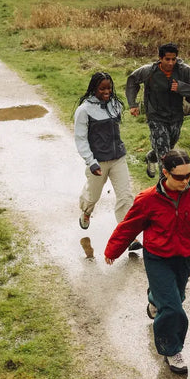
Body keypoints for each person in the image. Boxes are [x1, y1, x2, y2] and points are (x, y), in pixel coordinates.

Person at [104, 149, 190, 374]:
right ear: (165, 173)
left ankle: (155, 299)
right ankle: (171, 349)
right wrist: (113, 250)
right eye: (179, 177)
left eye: (189, 175)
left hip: (185, 256)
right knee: (173, 308)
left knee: (176, 296)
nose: (186, 181)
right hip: (158, 257)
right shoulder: (148, 199)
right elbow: (129, 226)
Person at [74, 72, 142, 252]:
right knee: (93, 197)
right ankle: (86, 212)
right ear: (94, 88)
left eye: (109, 88)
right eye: (102, 88)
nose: (107, 91)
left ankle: (129, 236)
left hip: (118, 158)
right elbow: (80, 139)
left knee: (126, 196)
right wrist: (91, 162)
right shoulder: (84, 110)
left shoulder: (114, 104)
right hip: (98, 162)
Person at [125, 43, 190, 178]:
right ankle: (165, 186)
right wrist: (133, 104)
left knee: (168, 146)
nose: (171, 62)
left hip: (176, 116)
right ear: (160, 58)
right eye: (167, 59)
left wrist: (181, 87)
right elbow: (132, 80)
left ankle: (151, 156)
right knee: (165, 155)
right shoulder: (149, 71)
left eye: (174, 59)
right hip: (156, 116)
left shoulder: (184, 71)